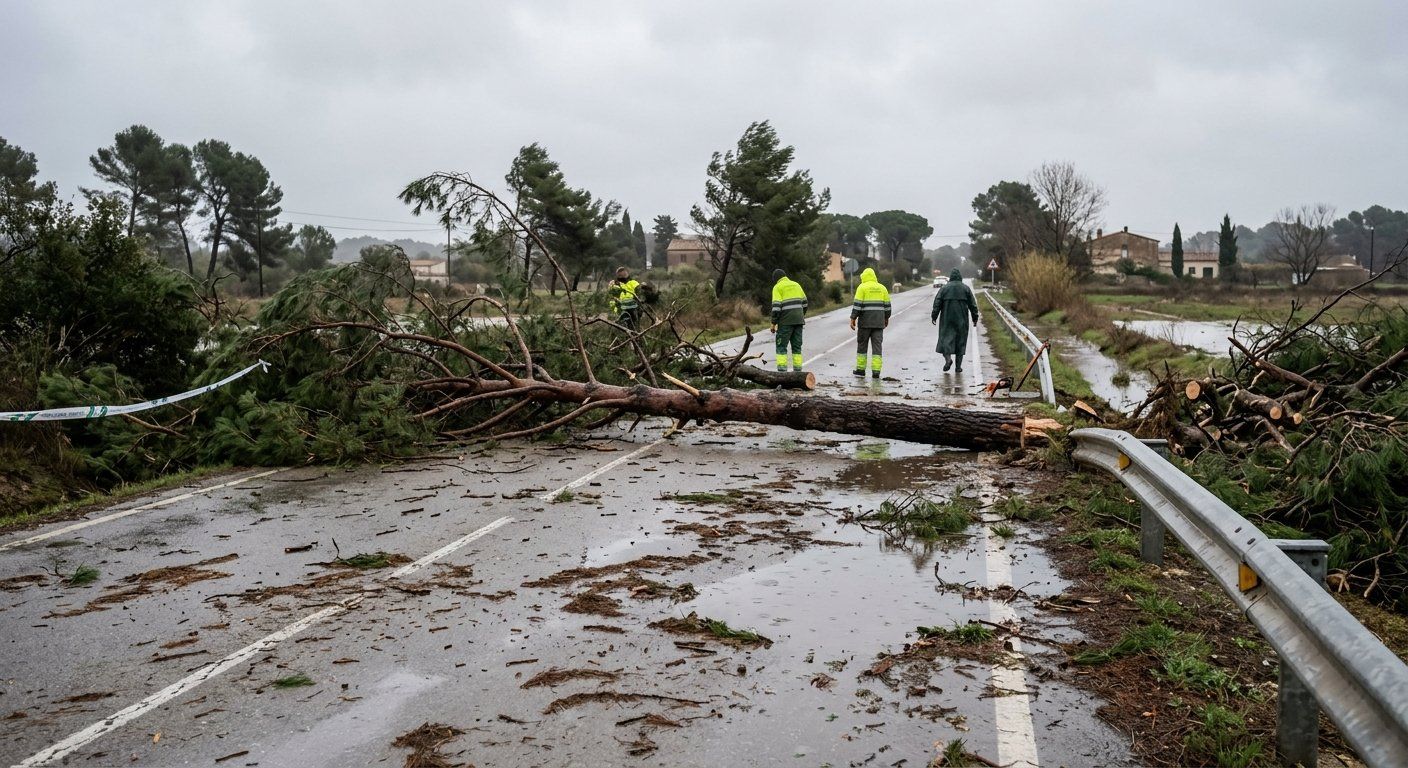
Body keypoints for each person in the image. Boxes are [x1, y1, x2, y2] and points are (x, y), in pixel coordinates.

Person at [931, 268, 978, 373]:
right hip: (962, 319)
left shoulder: (944, 288)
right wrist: (975, 318)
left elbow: (937, 303)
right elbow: (973, 305)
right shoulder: (966, 289)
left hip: (947, 319)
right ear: (960, 277)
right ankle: (958, 367)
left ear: (951, 277)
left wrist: (934, 316)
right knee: (960, 341)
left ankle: (948, 360)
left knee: (945, 340)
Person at [849, 267, 891, 379]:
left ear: (864, 277)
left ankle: (861, 370)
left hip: (865, 323)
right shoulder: (882, 288)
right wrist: (886, 318)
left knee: (862, 346)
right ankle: (876, 372)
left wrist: (853, 318)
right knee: (877, 347)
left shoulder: (862, 288)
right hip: (878, 323)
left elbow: (857, 305)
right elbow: (887, 306)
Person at [770, 268, 808, 372]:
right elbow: (805, 303)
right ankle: (798, 371)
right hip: (799, 321)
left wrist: (773, 323)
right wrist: (800, 315)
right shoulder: (796, 285)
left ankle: (782, 372)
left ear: (776, 279)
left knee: (781, 346)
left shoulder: (777, 287)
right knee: (797, 347)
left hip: (785, 322)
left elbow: (776, 307)